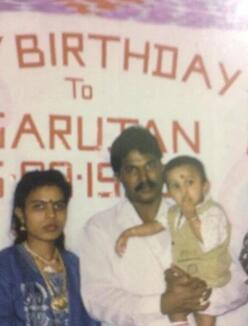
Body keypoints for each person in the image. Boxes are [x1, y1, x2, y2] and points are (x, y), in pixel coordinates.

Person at [80, 126, 212, 326]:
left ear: (162, 167)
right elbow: (98, 300)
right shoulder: (100, 228)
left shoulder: (192, 216)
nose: (144, 177)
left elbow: (234, 281)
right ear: (118, 176)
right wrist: (162, 304)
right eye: (132, 169)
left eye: (150, 165)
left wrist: (208, 292)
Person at [115, 155, 232, 326]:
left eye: (190, 183)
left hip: (209, 278)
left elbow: (208, 241)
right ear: (169, 192)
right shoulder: (174, 212)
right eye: (176, 186)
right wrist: (129, 232)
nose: (184, 191)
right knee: (174, 306)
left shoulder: (214, 212)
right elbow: (154, 226)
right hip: (185, 274)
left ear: (205, 186)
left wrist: (192, 217)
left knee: (205, 310)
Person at [0, 169, 99, 325]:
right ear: (21, 214)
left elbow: (93, 319)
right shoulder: (6, 266)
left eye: (59, 206)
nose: (51, 214)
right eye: (39, 206)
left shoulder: (76, 266)